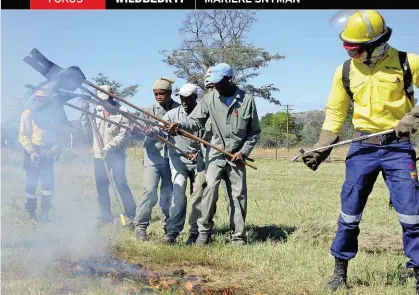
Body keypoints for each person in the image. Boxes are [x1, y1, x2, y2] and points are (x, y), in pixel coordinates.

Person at [301, 10, 419, 293]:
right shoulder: (344, 71)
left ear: (376, 44)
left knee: (413, 215)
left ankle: (417, 272)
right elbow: (335, 113)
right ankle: (340, 271)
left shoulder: (407, 62)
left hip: (398, 147)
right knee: (349, 214)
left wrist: (412, 117)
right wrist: (322, 147)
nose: (350, 54)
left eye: (354, 49)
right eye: (347, 48)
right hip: (362, 147)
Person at [164, 63, 261, 245]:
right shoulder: (209, 99)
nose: (215, 86)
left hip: (237, 156)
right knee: (209, 189)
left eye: (218, 83)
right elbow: (195, 121)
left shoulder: (247, 100)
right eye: (213, 83)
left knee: (238, 195)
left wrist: (243, 152)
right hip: (215, 153)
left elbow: (254, 131)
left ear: (229, 80)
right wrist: (181, 126)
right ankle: (204, 232)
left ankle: (238, 237)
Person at [147, 83, 206, 244]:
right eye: (182, 98)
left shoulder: (203, 114)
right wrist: (154, 132)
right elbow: (160, 129)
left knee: (198, 196)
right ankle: (172, 232)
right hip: (177, 159)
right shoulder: (172, 114)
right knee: (178, 195)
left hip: (199, 160)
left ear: (195, 97)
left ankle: (195, 231)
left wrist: (200, 153)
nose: (185, 102)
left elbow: (209, 138)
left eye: (188, 98)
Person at [80, 85, 137, 225]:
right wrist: (84, 112)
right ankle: (106, 215)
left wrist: (108, 148)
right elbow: (87, 129)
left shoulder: (122, 112)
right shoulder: (95, 111)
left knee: (121, 183)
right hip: (99, 156)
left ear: (112, 97)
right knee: (101, 185)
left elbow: (124, 135)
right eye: (101, 101)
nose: (104, 103)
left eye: (107, 100)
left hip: (116, 155)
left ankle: (131, 213)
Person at [134, 77, 180, 241]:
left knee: (168, 194)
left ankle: (168, 228)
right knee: (149, 191)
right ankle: (140, 227)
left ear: (169, 93)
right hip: (153, 157)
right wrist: (141, 131)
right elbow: (137, 131)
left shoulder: (178, 109)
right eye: (156, 94)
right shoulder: (148, 110)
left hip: (171, 158)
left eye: (162, 94)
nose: (159, 97)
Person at [18, 85, 64, 222]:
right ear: (36, 98)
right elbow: (23, 135)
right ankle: (31, 214)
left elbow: (58, 134)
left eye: (45, 99)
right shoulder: (28, 113)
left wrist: (56, 146)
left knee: (48, 185)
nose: (41, 101)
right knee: (31, 184)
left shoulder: (54, 115)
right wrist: (31, 151)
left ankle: (45, 214)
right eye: (39, 98)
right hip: (33, 150)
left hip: (48, 151)